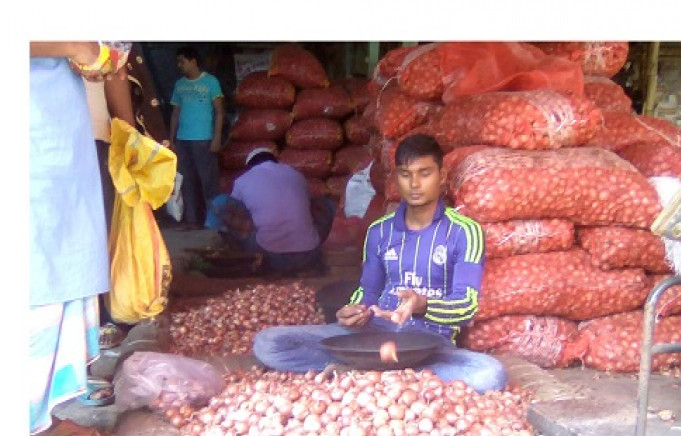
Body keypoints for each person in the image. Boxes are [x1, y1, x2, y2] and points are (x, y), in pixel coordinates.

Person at [253, 134, 508, 393]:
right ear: (397, 178)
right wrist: (354, 312)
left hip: (428, 345)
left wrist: (422, 305)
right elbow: (368, 291)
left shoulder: (464, 231)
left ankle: (366, 374)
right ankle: (394, 376)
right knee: (269, 343)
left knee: (489, 374)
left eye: (425, 173)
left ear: (442, 176)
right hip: (368, 338)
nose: (415, 184)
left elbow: (467, 306)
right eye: (406, 174)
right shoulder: (379, 231)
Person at [30, 42, 122, 436]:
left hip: (54, 128)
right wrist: (75, 44)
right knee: (30, 283)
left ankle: (38, 423)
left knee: (62, 269)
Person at [208, 148, 334, 275]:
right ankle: (310, 258)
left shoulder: (243, 180)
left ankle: (240, 257)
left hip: (271, 257)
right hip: (309, 255)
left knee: (220, 202)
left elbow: (235, 212)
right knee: (325, 203)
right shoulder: (296, 175)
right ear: (275, 161)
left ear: (250, 166)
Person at [85, 49, 136, 352]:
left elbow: (117, 73)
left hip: (94, 135)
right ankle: (97, 320)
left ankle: (100, 317)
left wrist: (131, 139)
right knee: (96, 232)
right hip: (81, 136)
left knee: (98, 233)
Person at [169, 45, 224, 230]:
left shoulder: (211, 82)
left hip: (204, 139)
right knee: (187, 182)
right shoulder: (179, 85)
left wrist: (217, 138)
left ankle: (214, 221)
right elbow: (175, 113)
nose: (179, 65)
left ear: (193, 61)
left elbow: (220, 112)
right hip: (183, 140)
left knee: (208, 182)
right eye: (177, 62)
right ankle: (192, 220)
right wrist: (172, 138)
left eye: (182, 61)